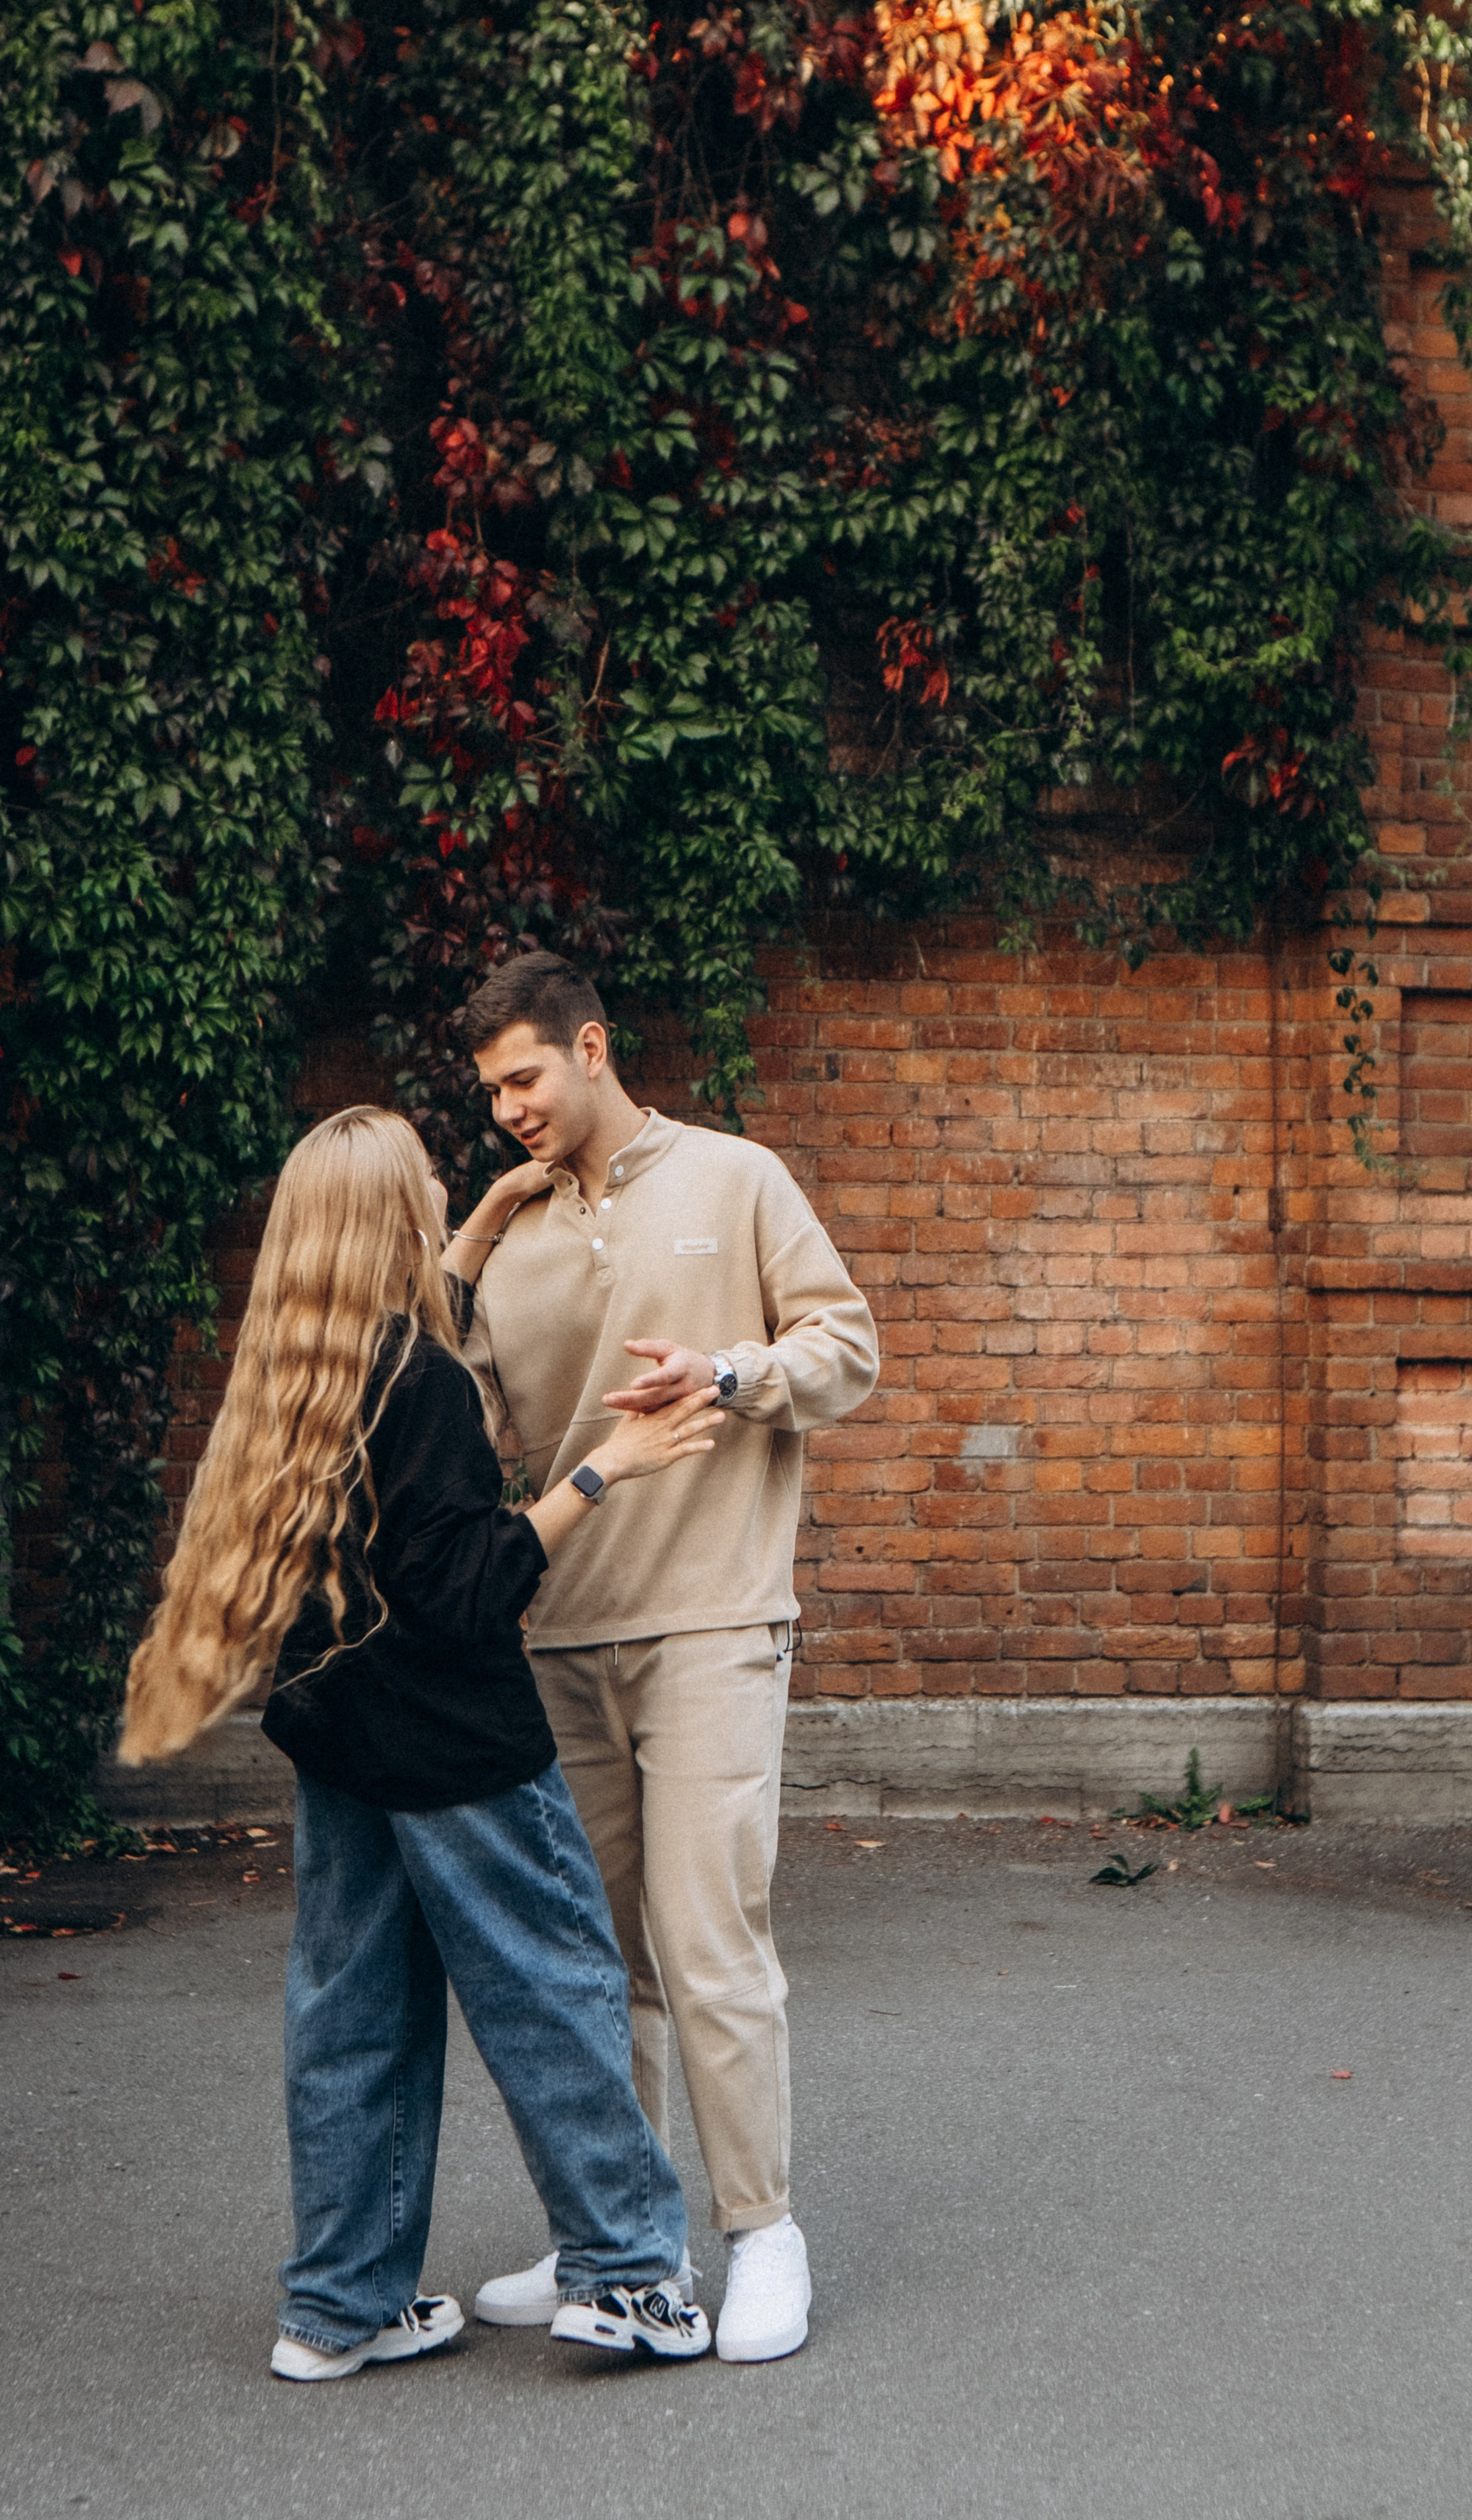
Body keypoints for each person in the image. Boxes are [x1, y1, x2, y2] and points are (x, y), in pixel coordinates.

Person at [118, 1104, 727, 2377]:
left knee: (355, 2021)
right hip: (457, 1749)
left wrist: (483, 1228)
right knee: (555, 1995)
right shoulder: (430, 1384)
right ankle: (627, 2276)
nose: (451, 1183)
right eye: (431, 1183)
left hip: (344, 1746)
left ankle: (339, 2308)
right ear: (392, 1217)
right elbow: (466, 1585)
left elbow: (399, 1398)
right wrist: (616, 1462)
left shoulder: (299, 1374)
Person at [450, 953, 880, 2363]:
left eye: (522, 1077)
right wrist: (461, 1251)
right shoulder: (505, 1232)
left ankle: (762, 2234)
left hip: (709, 1619)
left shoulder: (733, 1176)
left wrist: (732, 1374)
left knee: (708, 1948)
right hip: (559, 1628)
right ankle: (622, 2237)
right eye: (491, 1090)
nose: (508, 1107)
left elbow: (846, 1346)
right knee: (591, 1963)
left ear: (588, 1046)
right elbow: (461, 1433)